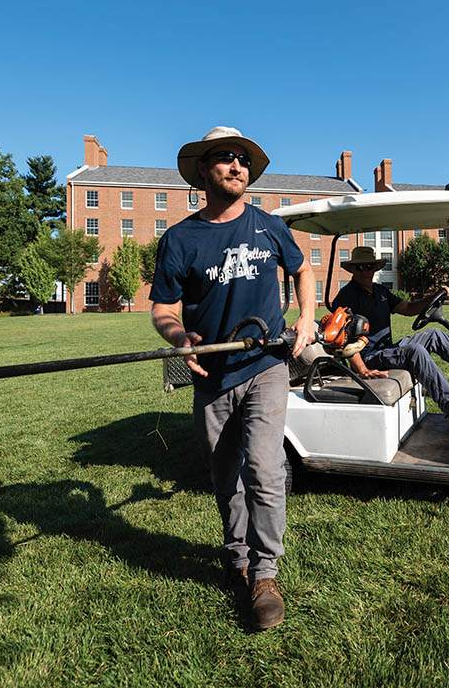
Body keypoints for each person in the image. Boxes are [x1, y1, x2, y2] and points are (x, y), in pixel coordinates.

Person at [150, 126, 315, 631]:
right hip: (212, 376)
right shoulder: (180, 239)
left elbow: (303, 270)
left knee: (265, 468)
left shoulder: (269, 227)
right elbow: (162, 308)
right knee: (225, 477)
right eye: (224, 158)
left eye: (242, 158)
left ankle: (265, 575)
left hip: (266, 364)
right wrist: (180, 339)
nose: (236, 166)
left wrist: (306, 319)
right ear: (204, 171)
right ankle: (237, 556)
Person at [331, 246, 449, 430]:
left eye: (368, 266)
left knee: (434, 335)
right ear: (352, 269)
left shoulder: (380, 291)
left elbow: (408, 308)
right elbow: (340, 337)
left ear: (374, 268)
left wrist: (433, 296)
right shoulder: (346, 297)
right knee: (414, 351)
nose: (365, 271)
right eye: (360, 267)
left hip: (387, 349)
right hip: (370, 357)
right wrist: (362, 369)